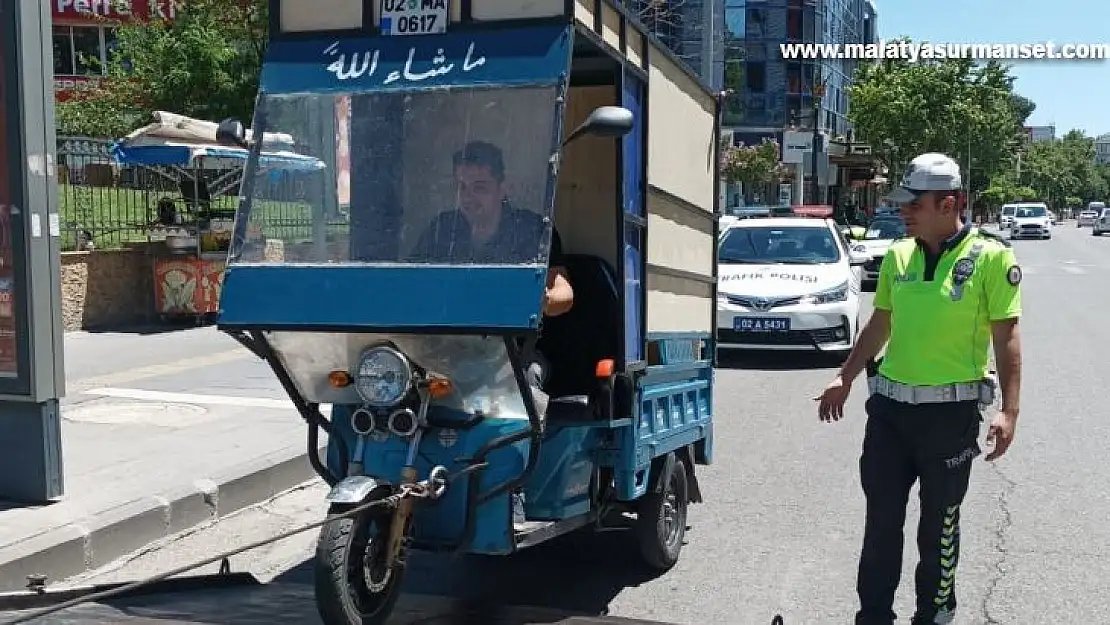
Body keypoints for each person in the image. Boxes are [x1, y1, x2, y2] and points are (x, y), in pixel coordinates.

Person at [815, 153, 1023, 625]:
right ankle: (873, 616)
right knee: (881, 525)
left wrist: (1009, 411)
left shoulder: (991, 257)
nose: (904, 211)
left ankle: (933, 615)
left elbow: (1006, 336)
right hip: (889, 414)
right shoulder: (898, 255)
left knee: (939, 530)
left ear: (950, 203)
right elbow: (881, 323)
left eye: (915, 204)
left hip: (949, 420)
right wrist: (844, 376)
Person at [410, 140, 573, 318]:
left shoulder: (533, 229)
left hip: (514, 340)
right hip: (449, 336)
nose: (467, 197)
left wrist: (539, 301)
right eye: (461, 187)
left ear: (502, 189)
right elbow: (410, 283)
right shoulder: (442, 227)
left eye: (479, 187)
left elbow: (565, 294)